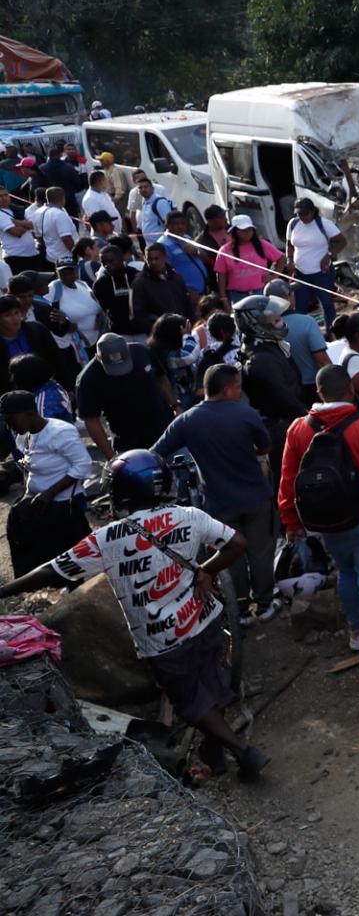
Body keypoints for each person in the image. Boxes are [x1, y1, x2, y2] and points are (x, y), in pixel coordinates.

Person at [0, 450, 269, 779]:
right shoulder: (189, 515)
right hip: (205, 617)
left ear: (120, 492)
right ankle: (215, 749)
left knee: (190, 701)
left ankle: (243, 751)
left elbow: (52, 571)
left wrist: (5, 590)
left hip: (163, 638)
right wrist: (207, 570)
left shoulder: (109, 538)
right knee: (213, 680)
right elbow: (236, 543)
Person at [278, 364, 359, 684]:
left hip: (326, 522)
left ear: (318, 393)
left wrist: (292, 522)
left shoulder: (298, 429)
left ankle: (357, 633)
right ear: (350, 389)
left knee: (347, 573)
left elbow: (287, 482)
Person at [153, 364, 283, 624]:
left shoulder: (187, 420)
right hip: (256, 497)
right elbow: (266, 446)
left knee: (229, 555)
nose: (239, 392)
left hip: (219, 503)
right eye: (237, 387)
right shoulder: (246, 414)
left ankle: (242, 609)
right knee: (261, 551)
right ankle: (265, 603)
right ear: (226, 389)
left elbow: (156, 453)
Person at [2, 390, 93, 577]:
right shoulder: (24, 435)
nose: (8, 424)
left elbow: (83, 465)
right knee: (19, 528)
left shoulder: (60, 432)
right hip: (38, 499)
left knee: (67, 552)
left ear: (29, 413)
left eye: (12, 419)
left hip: (64, 502)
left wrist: (49, 494)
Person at [230, 294, 307, 486]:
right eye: (275, 319)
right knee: (289, 481)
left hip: (285, 423)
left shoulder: (266, 347)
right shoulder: (260, 359)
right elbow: (283, 398)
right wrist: (308, 417)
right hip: (278, 429)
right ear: (257, 324)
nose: (281, 323)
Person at [76, 332, 176, 458]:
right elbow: (91, 421)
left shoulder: (142, 351)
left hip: (165, 431)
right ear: (98, 357)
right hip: (128, 444)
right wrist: (111, 457)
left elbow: (161, 379)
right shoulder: (87, 379)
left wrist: (175, 406)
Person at [264, 280, 328, 400]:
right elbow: (322, 361)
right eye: (292, 294)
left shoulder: (264, 327)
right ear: (288, 298)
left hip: (283, 391)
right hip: (312, 387)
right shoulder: (307, 322)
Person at [285, 197, 344, 327]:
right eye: (299, 214)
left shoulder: (324, 224)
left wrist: (329, 255)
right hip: (300, 273)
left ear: (312, 212)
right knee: (300, 306)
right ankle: (302, 333)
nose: (302, 217)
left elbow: (341, 241)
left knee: (327, 304)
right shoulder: (293, 224)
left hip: (321, 273)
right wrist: (289, 259)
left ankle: (331, 333)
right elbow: (289, 245)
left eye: (305, 214)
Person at [214, 214, 281, 304]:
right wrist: (223, 299)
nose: (248, 232)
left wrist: (274, 276)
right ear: (235, 231)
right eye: (243, 230)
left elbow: (282, 258)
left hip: (260, 292)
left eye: (250, 229)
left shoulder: (262, 244)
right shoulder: (225, 250)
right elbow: (221, 276)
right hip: (237, 296)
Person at [129, 242, 196, 331]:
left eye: (157, 258)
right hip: (158, 334)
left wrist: (190, 323)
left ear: (165, 257)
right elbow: (137, 314)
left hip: (181, 330)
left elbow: (187, 304)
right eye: (150, 259)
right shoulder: (139, 283)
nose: (153, 262)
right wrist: (159, 325)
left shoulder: (176, 278)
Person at [149, 313, 202, 410]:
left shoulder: (158, 350)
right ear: (176, 334)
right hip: (181, 400)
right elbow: (190, 356)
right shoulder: (169, 355)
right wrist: (187, 336)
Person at [92, 243, 136, 333]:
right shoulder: (100, 285)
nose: (107, 265)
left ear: (121, 259)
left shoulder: (136, 276)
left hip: (142, 330)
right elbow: (104, 308)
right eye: (104, 263)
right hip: (119, 332)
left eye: (111, 261)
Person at [33, 187, 77, 266]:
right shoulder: (59, 214)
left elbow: (39, 237)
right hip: (66, 259)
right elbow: (66, 238)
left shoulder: (37, 212)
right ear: (62, 198)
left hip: (50, 257)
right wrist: (77, 254)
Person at [132, 172, 176, 245]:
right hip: (149, 243)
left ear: (152, 189)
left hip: (161, 244)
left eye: (146, 187)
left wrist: (164, 241)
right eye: (140, 188)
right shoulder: (144, 201)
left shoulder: (160, 202)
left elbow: (170, 224)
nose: (143, 189)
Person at [79, 170, 117, 234]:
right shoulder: (90, 199)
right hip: (107, 235)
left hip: (113, 232)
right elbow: (97, 221)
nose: (108, 182)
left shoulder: (102, 192)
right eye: (106, 180)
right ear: (101, 181)